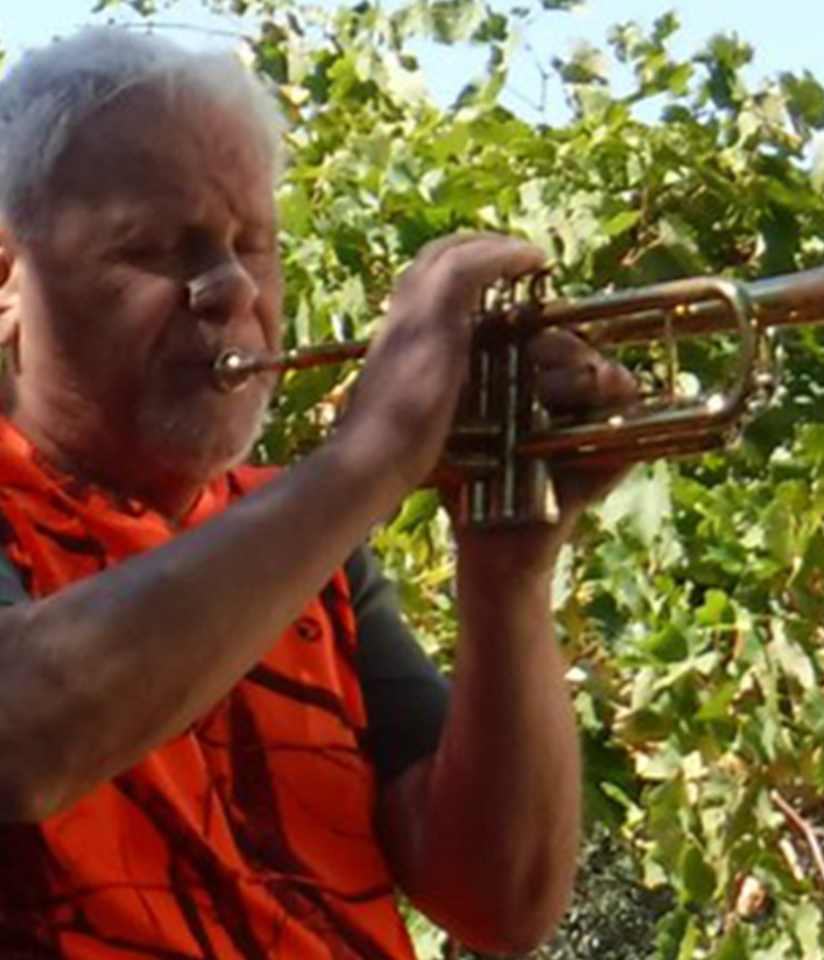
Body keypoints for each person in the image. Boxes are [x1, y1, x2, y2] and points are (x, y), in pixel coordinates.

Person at [0, 26, 634, 960]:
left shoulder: (310, 550)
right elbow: (21, 736)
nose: (227, 290)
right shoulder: (312, 519)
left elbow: (500, 903)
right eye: (156, 250)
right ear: (8, 276)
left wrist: (509, 568)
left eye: (250, 244)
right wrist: (372, 456)